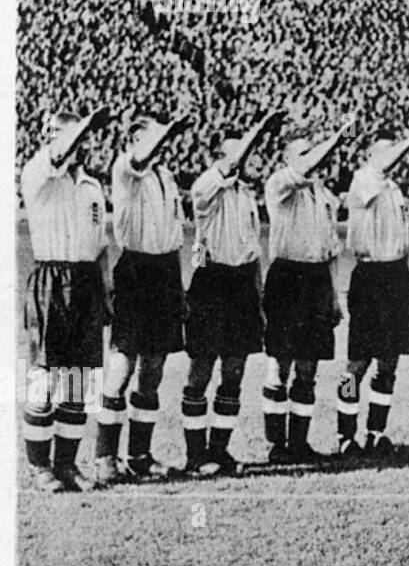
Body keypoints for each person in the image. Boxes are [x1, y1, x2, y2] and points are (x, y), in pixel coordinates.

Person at [180, 111, 285, 476]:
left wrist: (259, 298)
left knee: (236, 370)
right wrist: (259, 129)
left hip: (241, 285)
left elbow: (253, 249)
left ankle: (219, 450)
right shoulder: (205, 186)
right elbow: (201, 246)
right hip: (211, 282)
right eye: (233, 154)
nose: (241, 159)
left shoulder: (246, 194)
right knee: (201, 369)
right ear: (217, 158)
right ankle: (195, 456)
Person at [21, 108, 113, 492]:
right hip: (51, 281)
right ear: (48, 135)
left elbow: (101, 244)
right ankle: (39, 466)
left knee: (78, 381)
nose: (72, 141)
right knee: (45, 377)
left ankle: (67, 465)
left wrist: (106, 287)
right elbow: (60, 152)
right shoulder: (38, 173)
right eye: (62, 133)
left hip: (86, 282)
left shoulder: (92, 185)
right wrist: (84, 125)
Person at [338, 115, 409, 460]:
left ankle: (376, 432)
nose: (392, 157)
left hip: (397, 277)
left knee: (389, 362)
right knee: (357, 363)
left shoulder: (393, 188)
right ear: (369, 155)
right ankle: (345, 434)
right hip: (370, 277)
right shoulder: (362, 180)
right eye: (385, 151)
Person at [99, 113, 192, 483]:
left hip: (165, 272)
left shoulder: (165, 176)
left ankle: (139, 455)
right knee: (122, 363)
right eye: (154, 135)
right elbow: (140, 157)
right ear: (136, 138)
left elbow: (176, 233)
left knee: (153, 368)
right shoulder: (125, 168)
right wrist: (167, 131)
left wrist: (180, 284)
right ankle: (104, 456)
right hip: (136, 270)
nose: (163, 141)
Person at [261, 123, 346, 463]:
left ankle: (300, 442)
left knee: (309, 367)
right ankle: (276, 445)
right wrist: (340, 135)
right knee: (279, 363)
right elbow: (303, 169)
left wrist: (334, 295)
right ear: (286, 159)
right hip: (287, 278)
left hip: (317, 280)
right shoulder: (279, 185)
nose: (313, 161)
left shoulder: (325, 197)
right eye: (303, 153)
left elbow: (332, 252)